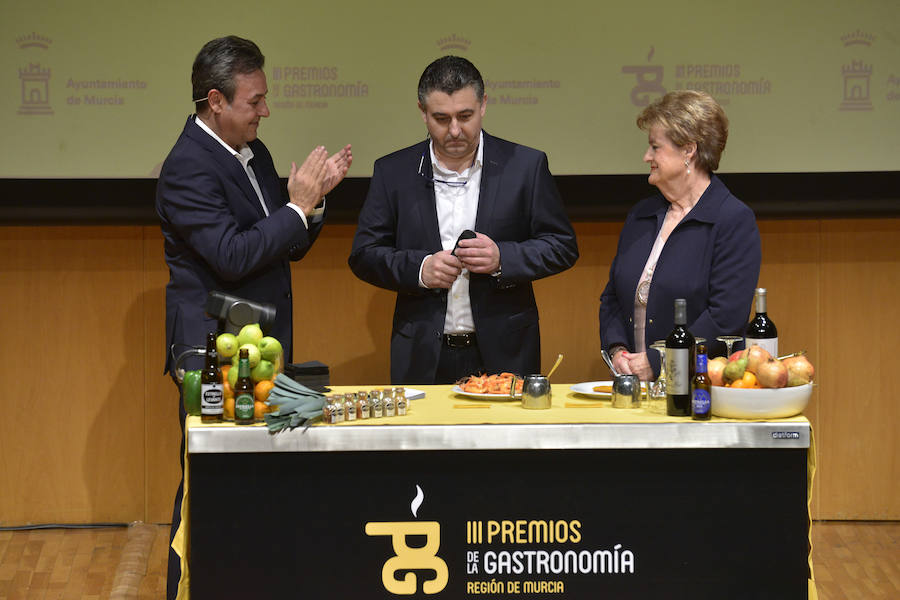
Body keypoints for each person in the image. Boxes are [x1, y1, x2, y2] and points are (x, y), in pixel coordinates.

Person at [156, 35, 351, 599]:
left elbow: (281, 245)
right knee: (209, 482)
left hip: (262, 344)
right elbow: (233, 256)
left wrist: (310, 209)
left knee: (262, 481)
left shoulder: (254, 152)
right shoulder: (187, 168)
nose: (266, 111)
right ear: (215, 101)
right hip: (214, 352)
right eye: (254, 101)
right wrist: (296, 206)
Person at [349, 56, 578, 384]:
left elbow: (562, 246)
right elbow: (364, 255)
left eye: (465, 116)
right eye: (441, 118)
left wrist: (503, 258)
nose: (455, 130)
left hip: (506, 352)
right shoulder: (393, 172)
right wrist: (421, 269)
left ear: (484, 105)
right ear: (422, 112)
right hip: (423, 354)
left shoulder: (525, 166)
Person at [599, 90, 760, 381]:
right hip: (634, 388)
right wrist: (617, 350)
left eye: (655, 147)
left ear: (689, 150)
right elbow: (612, 296)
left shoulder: (733, 220)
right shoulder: (641, 215)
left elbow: (725, 318)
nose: (646, 156)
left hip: (698, 391)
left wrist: (660, 361)